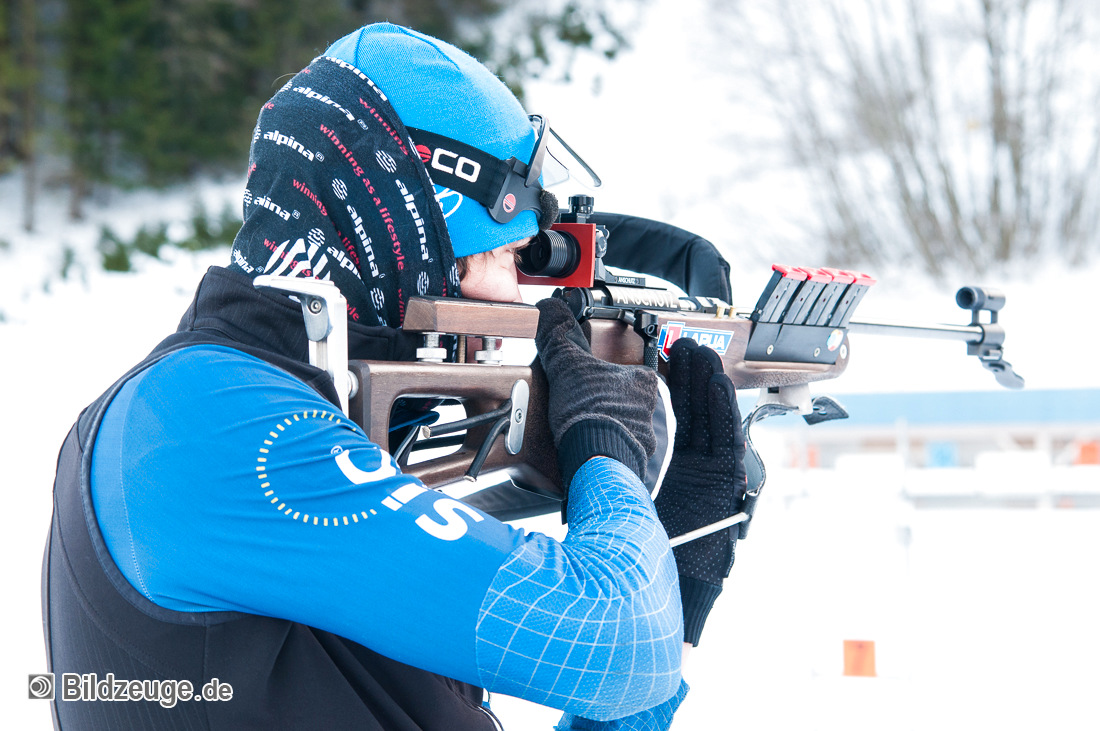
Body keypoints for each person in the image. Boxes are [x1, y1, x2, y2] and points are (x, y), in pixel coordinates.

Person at [41, 23, 746, 730]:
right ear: (421, 240)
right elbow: (617, 649)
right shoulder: (213, 422)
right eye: (505, 257)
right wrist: (605, 454)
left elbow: (626, 663)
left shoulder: (256, 420)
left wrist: (671, 553)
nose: (516, 301)